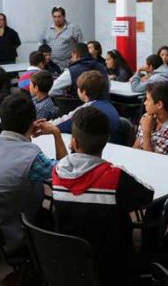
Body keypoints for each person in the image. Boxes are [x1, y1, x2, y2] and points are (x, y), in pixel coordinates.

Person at [52, 107, 154, 286]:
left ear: (73, 142)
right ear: (107, 140)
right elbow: (147, 196)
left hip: (70, 262)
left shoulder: (57, 172)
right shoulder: (115, 176)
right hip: (110, 267)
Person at [0, 93, 67, 247]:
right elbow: (65, 174)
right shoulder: (32, 157)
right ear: (33, 123)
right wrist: (56, 133)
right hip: (13, 236)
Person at [49, 71, 121, 144]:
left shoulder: (87, 111)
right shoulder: (109, 106)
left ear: (83, 92)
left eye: (78, 87)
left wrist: (43, 125)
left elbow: (60, 125)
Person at [134, 81, 168, 156]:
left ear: (159, 105)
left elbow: (154, 162)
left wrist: (146, 132)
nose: (145, 103)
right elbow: (135, 148)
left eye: (148, 99)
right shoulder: (147, 117)